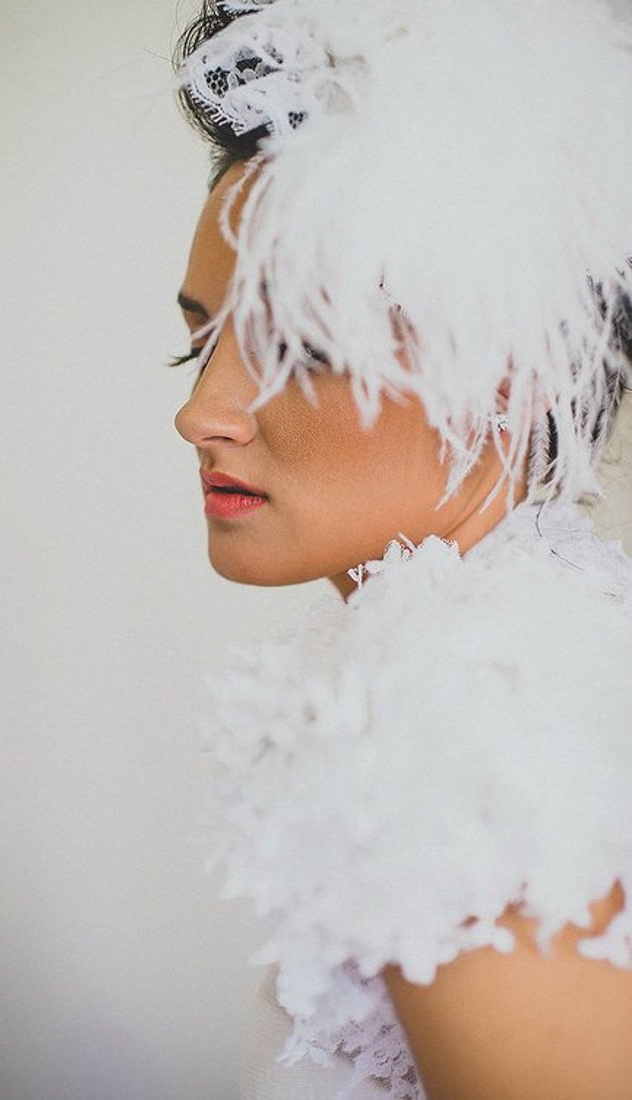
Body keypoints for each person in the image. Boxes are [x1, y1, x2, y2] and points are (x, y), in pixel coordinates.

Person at [170, 2, 632, 1097]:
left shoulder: (462, 718)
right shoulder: (550, 641)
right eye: (196, 344)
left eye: (300, 347)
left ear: (511, 376)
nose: (202, 413)